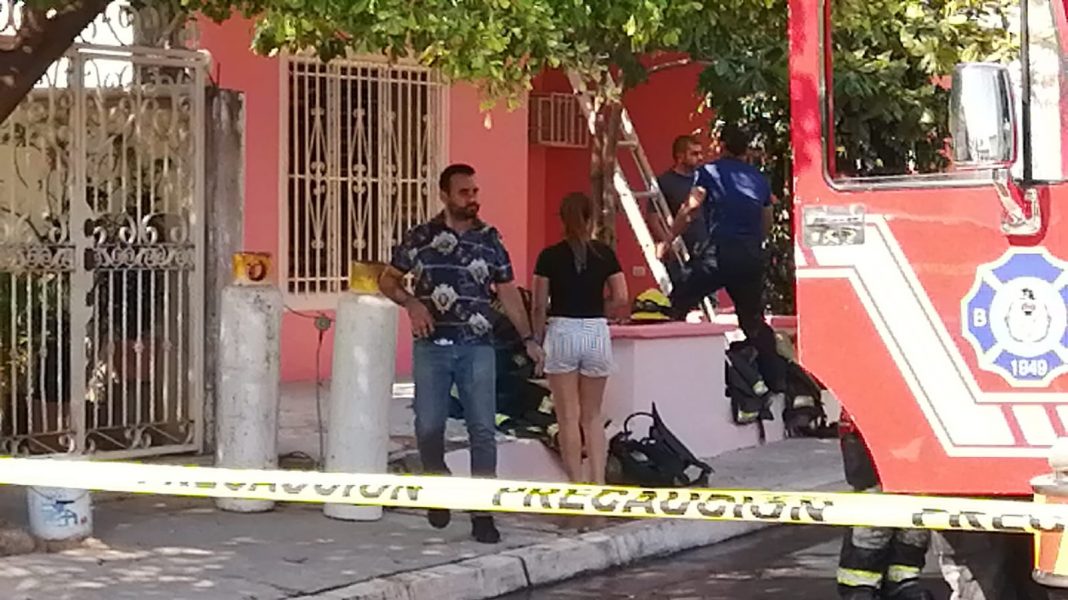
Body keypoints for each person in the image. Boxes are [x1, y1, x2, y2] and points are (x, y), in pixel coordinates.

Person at [379, 163, 545, 544]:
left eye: (474, 191)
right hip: (432, 348)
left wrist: (528, 338)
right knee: (428, 426)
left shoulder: (489, 240)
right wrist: (411, 304)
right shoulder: (421, 237)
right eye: (464, 193)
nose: (472, 199)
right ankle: (437, 483)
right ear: (445, 195)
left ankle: (482, 513)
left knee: (482, 430)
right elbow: (387, 279)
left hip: (478, 348)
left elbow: (507, 292)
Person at [659, 123, 787, 409]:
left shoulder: (709, 172)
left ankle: (668, 375)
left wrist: (667, 240)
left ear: (722, 146)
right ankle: (778, 381)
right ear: (745, 150)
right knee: (752, 321)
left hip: (719, 253)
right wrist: (754, 242)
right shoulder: (758, 178)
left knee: (677, 301)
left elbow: (691, 209)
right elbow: (766, 217)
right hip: (750, 256)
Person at [531, 192, 628, 495]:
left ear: (562, 219)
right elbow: (622, 297)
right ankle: (598, 482)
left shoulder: (548, 256)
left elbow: (538, 305)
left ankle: (576, 485)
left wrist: (536, 339)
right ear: (591, 218)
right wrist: (602, 311)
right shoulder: (605, 254)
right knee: (593, 415)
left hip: (562, 330)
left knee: (567, 417)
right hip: (595, 329)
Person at [648, 135, 708, 283]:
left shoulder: (704, 180)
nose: (700, 158)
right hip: (679, 252)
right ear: (680, 156)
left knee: (708, 294)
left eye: (700, 153)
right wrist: (667, 243)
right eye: (694, 154)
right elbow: (653, 217)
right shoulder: (665, 182)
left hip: (704, 249)